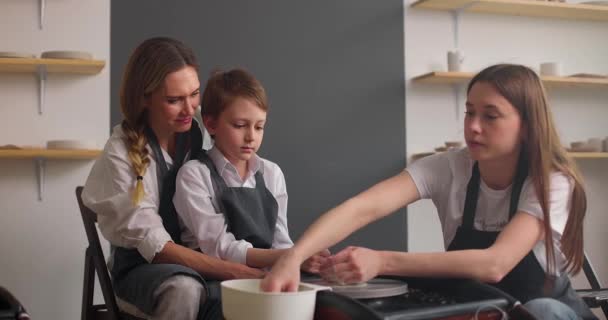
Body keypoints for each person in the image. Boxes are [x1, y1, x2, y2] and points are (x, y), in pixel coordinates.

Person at [261, 64, 597, 320]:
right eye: (469, 112)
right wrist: (295, 256)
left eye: (490, 116)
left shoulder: (550, 181)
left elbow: (495, 264)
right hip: (486, 311)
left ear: (526, 126)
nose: (473, 126)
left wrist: (382, 261)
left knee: (541, 310)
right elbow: (362, 207)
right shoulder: (450, 167)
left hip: (549, 313)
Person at [82, 37, 263, 320]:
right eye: (174, 100)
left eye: (194, 94)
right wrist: (233, 269)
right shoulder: (121, 153)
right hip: (141, 272)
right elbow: (156, 247)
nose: (190, 109)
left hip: (202, 257)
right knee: (185, 289)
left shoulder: (198, 131)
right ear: (144, 98)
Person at [173, 68, 329, 273]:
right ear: (210, 124)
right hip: (216, 280)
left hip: (268, 276)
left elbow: (280, 241)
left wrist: (305, 259)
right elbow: (220, 248)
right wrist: (293, 256)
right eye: (240, 125)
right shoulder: (194, 175)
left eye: (259, 127)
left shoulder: (272, 174)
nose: (251, 137)